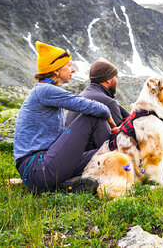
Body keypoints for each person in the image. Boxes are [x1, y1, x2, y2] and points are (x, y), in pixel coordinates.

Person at [13, 41, 116, 193]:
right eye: (68, 65)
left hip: (41, 168)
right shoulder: (45, 90)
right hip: (38, 167)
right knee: (92, 117)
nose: (73, 70)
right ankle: (118, 156)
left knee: (98, 155)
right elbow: (95, 107)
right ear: (55, 71)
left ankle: (69, 184)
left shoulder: (47, 91)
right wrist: (112, 124)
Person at [65, 59, 130, 128]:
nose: (117, 81)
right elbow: (121, 134)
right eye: (115, 77)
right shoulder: (108, 102)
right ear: (108, 79)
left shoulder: (83, 94)